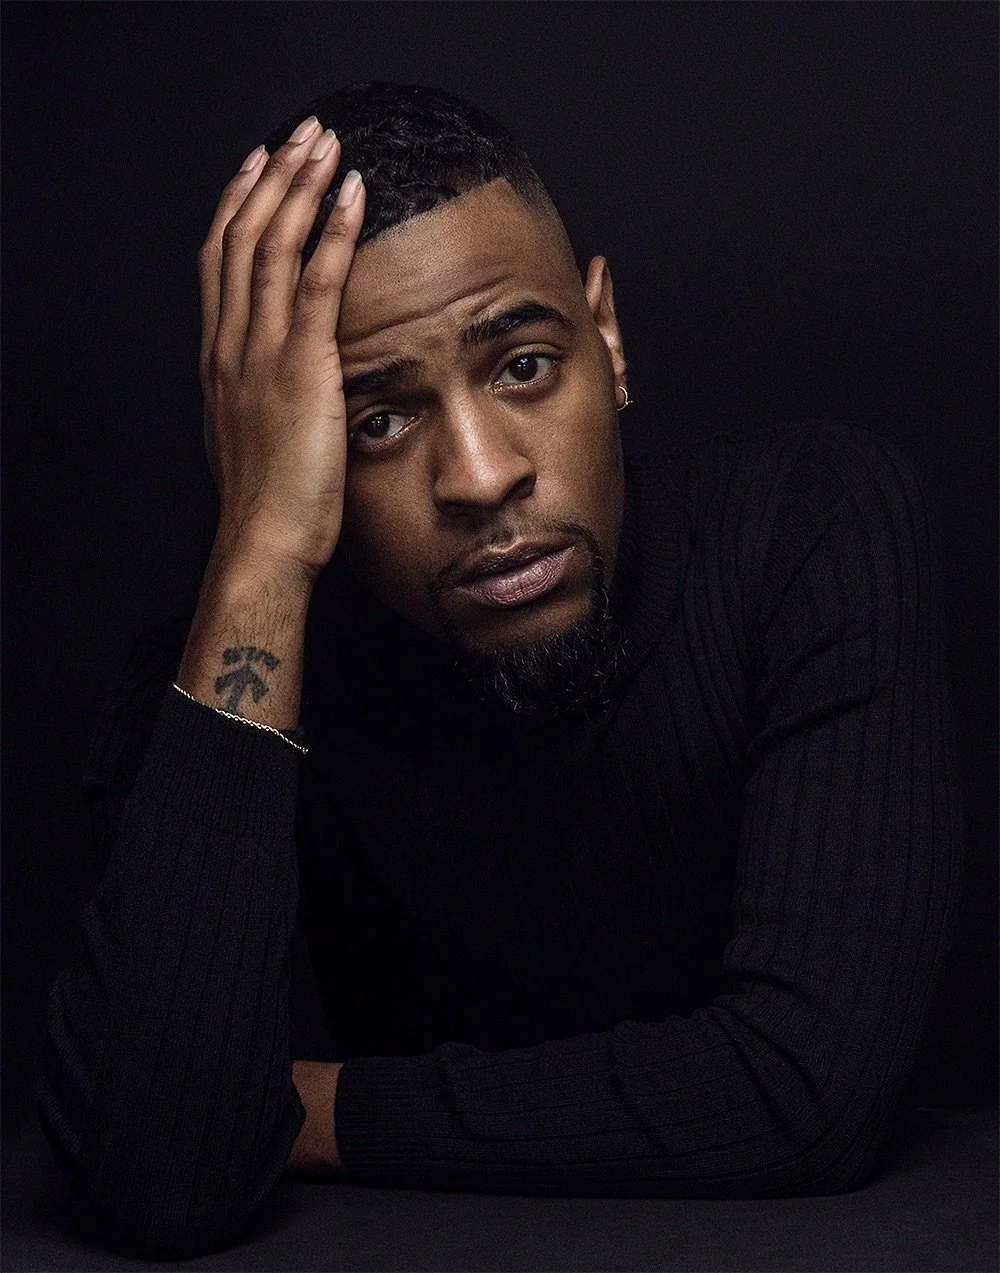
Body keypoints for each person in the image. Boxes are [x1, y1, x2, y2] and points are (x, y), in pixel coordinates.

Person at [36, 82, 961, 1259]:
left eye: (522, 365)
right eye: (377, 422)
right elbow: (160, 1170)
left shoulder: (809, 528)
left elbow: (803, 1093)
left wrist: (305, 1110)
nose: (479, 477)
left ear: (606, 339)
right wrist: (260, 545)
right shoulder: (216, 681)